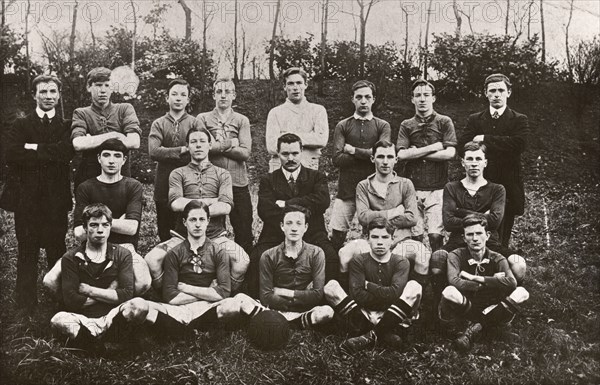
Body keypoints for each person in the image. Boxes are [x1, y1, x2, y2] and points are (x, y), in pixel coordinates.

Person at [0, 74, 74, 311]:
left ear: (59, 95)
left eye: (53, 91)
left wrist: (33, 148)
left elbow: (66, 153)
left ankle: (59, 300)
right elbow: (12, 153)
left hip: (56, 200)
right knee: (27, 251)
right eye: (43, 91)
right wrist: (48, 152)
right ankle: (25, 304)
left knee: (56, 248)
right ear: (34, 95)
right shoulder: (22, 124)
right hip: (27, 200)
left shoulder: (66, 125)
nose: (48, 96)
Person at [144, 127, 249, 293]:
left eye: (202, 141)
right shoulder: (177, 173)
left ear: (209, 145)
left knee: (242, 260)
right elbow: (176, 204)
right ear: (188, 146)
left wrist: (192, 206)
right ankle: (169, 294)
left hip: (215, 237)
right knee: (152, 259)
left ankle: (223, 294)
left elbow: (226, 206)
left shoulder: (223, 174)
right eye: (193, 142)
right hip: (181, 237)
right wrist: (211, 201)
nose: (198, 145)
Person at [43, 139, 151, 296]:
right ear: (99, 158)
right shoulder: (86, 187)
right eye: (106, 155)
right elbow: (79, 233)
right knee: (50, 280)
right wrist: (117, 222)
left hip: (124, 246)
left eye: (117, 156)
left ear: (124, 160)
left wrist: (93, 223)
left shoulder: (133, 186)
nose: (111, 160)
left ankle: (111, 305)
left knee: (144, 282)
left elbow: (131, 228)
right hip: (89, 247)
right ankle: (79, 305)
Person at [430, 141, 526, 306]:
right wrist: (482, 216)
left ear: (485, 162)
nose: (474, 163)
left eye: (478, 159)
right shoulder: (452, 188)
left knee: (519, 265)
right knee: (437, 260)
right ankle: (445, 303)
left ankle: (500, 304)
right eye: (469, 159)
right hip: (458, 241)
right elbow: (448, 222)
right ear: (463, 162)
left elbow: (495, 222)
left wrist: (460, 212)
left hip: (490, 243)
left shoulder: (497, 189)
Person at [247, 133, 338, 297]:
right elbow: (265, 210)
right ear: (277, 153)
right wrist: (306, 208)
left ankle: (329, 302)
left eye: (295, 153)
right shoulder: (268, 180)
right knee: (256, 258)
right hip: (275, 233)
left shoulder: (316, 177)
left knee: (330, 256)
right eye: (285, 154)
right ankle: (255, 302)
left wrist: (286, 204)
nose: (290, 158)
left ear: (302, 151)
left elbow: (322, 201)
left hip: (312, 232)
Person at [223, 205, 334, 330]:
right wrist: (298, 298)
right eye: (289, 223)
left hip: (302, 310)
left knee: (327, 312)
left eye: (299, 223)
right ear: (282, 226)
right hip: (273, 309)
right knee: (240, 299)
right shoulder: (269, 255)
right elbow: (265, 297)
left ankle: (286, 322)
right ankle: (292, 323)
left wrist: (283, 292)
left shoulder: (316, 253)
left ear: (306, 227)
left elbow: (317, 294)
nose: (294, 228)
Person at [324, 218, 422, 354]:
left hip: (390, 312)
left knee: (414, 286)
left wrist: (368, 285)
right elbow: (357, 295)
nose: (380, 242)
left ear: (392, 239)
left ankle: (368, 335)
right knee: (331, 287)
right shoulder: (359, 260)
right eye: (375, 237)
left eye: (385, 237)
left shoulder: (401, 262)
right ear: (367, 238)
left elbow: (395, 294)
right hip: (365, 313)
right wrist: (385, 295)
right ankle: (383, 333)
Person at [437, 214, 529, 352]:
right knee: (449, 292)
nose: (474, 238)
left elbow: (511, 283)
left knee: (522, 293)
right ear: (464, 238)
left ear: (487, 236)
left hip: (491, 305)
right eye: (470, 234)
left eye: (479, 233)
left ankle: (474, 328)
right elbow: (454, 281)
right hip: (467, 305)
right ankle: (486, 324)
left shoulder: (497, 257)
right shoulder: (456, 255)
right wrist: (493, 281)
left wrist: (477, 278)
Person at [344, 140, 430, 288]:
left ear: (396, 160)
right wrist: (393, 212)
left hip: (401, 241)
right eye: (380, 157)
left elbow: (412, 218)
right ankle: (349, 297)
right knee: (345, 253)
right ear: (372, 159)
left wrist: (376, 217)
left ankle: (415, 301)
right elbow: (363, 218)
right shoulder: (363, 186)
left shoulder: (405, 184)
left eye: (390, 157)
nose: (385, 162)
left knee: (422, 254)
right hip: (371, 241)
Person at [49, 204, 135, 351]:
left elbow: (127, 294)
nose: (100, 230)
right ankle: (99, 346)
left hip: (112, 315)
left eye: (105, 225)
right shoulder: (70, 258)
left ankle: (96, 342)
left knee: (138, 305)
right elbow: (71, 301)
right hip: (82, 318)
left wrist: (89, 290)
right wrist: (110, 290)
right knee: (58, 320)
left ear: (110, 227)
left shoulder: (123, 254)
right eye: (94, 225)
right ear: (85, 227)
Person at [459, 73, 531, 248]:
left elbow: (519, 144)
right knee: (478, 228)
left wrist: (485, 138)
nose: (497, 94)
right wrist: (503, 143)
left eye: (501, 90)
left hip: (508, 182)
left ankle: (501, 265)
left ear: (509, 92)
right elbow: (463, 144)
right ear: (486, 93)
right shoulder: (475, 119)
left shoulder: (519, 119)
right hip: (481, 182)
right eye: (492, 90)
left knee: (503, 234)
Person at [330, 80, 391, 252]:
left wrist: (353, 150)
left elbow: (383, 157)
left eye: (367, 97)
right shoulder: (343, 125)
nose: (363, 101)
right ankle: (335, 274)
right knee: (337, 234)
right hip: (347, 188)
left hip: (374, 189)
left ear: (373, 99)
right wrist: (369, 154)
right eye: (359, 97)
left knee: (376, 234)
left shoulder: (382, 125)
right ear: (352, 99)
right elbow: (337, 158)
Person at [396, 79, 457, 252]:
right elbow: (401, 154)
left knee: (435, 235)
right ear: (412, 99)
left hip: (437, 188)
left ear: (434, 98)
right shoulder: (406, 125)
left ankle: (436, 275)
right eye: (418, 95)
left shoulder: (444, 122)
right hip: (412, 188)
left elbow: (450, 153)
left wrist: (415, 152)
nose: (422, 99)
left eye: (426, 95)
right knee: (415, 235)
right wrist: (434, 147)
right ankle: (418, 275)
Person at [197, 78, 253, 254]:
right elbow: (203, 148)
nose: (223, 95)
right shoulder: (203, 118)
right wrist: (231, 142)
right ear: (213, 95)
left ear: (234, 95)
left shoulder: (242, 120)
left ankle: (245, 274)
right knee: (211, 229)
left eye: (227, 91)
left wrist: (218, 145)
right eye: (219, 91)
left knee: (244, 228)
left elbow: (244, 153)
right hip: (211, 183)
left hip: (238, 182)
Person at [149, 79, 202, 242]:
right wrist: (182, 150)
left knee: (188, 225)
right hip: (164, 182)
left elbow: (203, 146)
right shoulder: (159, 124)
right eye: (174, 94)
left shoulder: (195, 122)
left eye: (183, 95)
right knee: (165, 230)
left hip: (189, 182)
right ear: (167, 98)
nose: (178, 98)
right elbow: (154, 151)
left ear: (188, 99)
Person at [71, 67, 141, 188]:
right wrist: (115, 135)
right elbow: (78, 143)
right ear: (89, 87)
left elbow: (134, 142)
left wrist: (92, 140)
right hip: (89, 178)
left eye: (107, 85)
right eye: (98, 85)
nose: (103, 90)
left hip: (120, 178)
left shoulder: (124, 109)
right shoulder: (81, 113)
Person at [265, 67, 328, 171]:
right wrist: (309, 137)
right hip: (280, 169)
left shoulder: (318, 110)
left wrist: (285, 136)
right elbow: (271, 147)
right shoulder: (275, 113)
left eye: (299, 83)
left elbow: (321, 140)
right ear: (284, 87)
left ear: (305, 85)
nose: (295, 87)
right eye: (290, 83)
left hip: (309, 167)